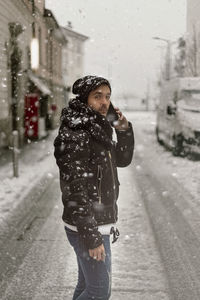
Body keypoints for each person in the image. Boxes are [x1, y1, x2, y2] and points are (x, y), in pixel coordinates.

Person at [54, 75, 134, 300]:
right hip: (88, 226)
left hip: (96, 222)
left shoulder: (98, 128)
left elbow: (122, 159)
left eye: (107, 97)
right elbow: (75, 189)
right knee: (99, 291)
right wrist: (91, 236)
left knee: (86, 285)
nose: (104, 102)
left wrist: (123, 129)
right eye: (97, 96)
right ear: (84, 99)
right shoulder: (76, 133)